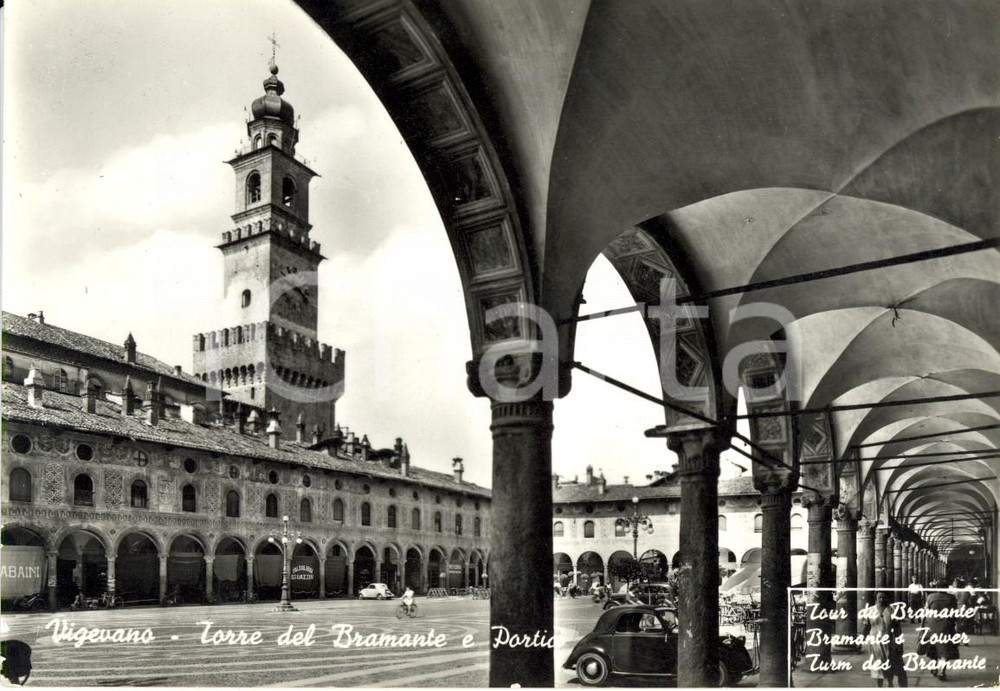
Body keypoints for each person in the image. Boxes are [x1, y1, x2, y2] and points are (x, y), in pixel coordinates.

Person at [862, 591, 908, 687]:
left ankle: (890, 683)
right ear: (876, 598)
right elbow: (866, 627)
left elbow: (897, 629)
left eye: (884, 597)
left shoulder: (892, 610)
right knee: (877, 665)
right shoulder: (870, 610)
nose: (882, 599)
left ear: (887, 598)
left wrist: (899, 643)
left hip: (889, 641)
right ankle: (879, 686)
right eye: (879, 597)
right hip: (874, 642)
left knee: (889, 662)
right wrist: (862, 639)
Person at [921, 579, 960, 681]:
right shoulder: (952, 598)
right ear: (947, 587)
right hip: (945, 626)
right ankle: (942, 672)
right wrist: (954, 625)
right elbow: (954, 614)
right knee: (945, 651)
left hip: (932, 626)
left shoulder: (930, 597)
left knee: (933, 648)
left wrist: (922, 627)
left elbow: (925, 613)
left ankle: (934, 667)